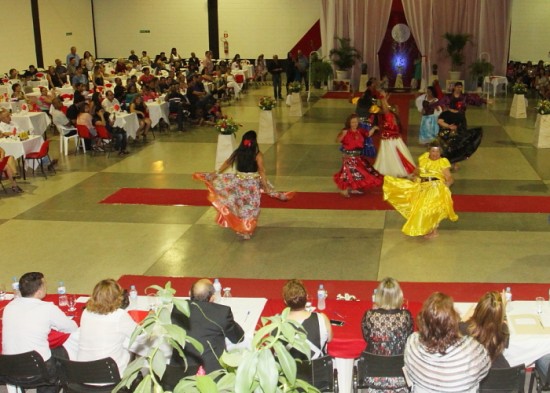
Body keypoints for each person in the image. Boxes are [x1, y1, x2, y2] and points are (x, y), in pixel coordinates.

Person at [193, 130, 294, 240]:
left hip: (238, 182)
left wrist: (216, 173)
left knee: (239, 205)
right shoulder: (257, 154)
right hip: (251, 184)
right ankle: (246, 230)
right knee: (250, 207)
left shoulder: (238, 151)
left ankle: (241, 228)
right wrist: (265, 185)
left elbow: (227, 162)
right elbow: (261, 171)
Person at [2, 272, 78, 393]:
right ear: (38, 291)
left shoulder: (9, 307)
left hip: (9, 368)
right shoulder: (47, 308)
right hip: (38, 369)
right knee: (63, 353)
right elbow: (71, 328)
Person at [404, 292, 491, 393]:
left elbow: (409, 373)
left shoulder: (412, 342)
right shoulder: (472, 349)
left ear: (423, 320)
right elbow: (484, 370)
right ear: (453, 322)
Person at [383, 142, 458, 238]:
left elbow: (449, 177)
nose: (435, 154)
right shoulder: (424, 159)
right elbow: (416, 171)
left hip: (435, 186)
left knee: (430, 207)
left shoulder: (442, 162)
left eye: (437, 151)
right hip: (422, 185)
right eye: (433, 151)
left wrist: (448, 183)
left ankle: (434, 230)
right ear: (429, 151)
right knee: (417, 205)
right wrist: (414, 176)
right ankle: (428, 228)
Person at [170, 278, 245, 373]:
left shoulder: (177, 308)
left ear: (189, 293)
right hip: (212, 372)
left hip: (180, 371)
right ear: (213, 298)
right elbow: (238, 338)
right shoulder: (222, 312)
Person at [361, 277, 412, 392]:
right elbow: (409, 338)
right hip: (400, 376)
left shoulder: (370, 316)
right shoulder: (405, 316)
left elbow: (367, 338)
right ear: (399, 296)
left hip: (374, 376)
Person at [77, 279, 137, 375]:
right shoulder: (119, 315)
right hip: (110, 375)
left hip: (84, 374)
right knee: (134, 349)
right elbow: (139, 335)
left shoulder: (86, 312)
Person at [333, 113, 383, 197]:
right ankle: (344, 189)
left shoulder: (360, 130)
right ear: (349, 123)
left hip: (358, 156)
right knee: (348, 173)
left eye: (356, 122)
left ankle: (353, 188)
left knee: (358, 173)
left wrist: (374, 128)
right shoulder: (345, 131)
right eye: (352, 122)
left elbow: (368, 134)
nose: (354, 124)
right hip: (348, 157)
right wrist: (343, 134)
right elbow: (337, 140)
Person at [283, 279, 332, 359]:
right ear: (307, 297)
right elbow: (329, 339)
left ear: (285, 301)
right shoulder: (322, 318)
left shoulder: (276, 323)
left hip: (288, 370)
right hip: (317, 369)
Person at [459, 291, 510, 368]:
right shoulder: (503, 332)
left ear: (477, 310)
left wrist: (466, 317)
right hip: (499, 375)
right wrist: (503, 310)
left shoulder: (464, 328)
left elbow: (457, 327)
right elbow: (504, 324)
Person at [373, 92, 416, 177]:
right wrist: (384, 100)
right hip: (390, 140)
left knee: (395, 156)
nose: (397, 108)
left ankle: (395, 170)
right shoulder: (392, 116)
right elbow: (386, 108)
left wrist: (383, 99)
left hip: (390, 141)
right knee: (394, 156)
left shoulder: (391, 116)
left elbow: (386, 109)